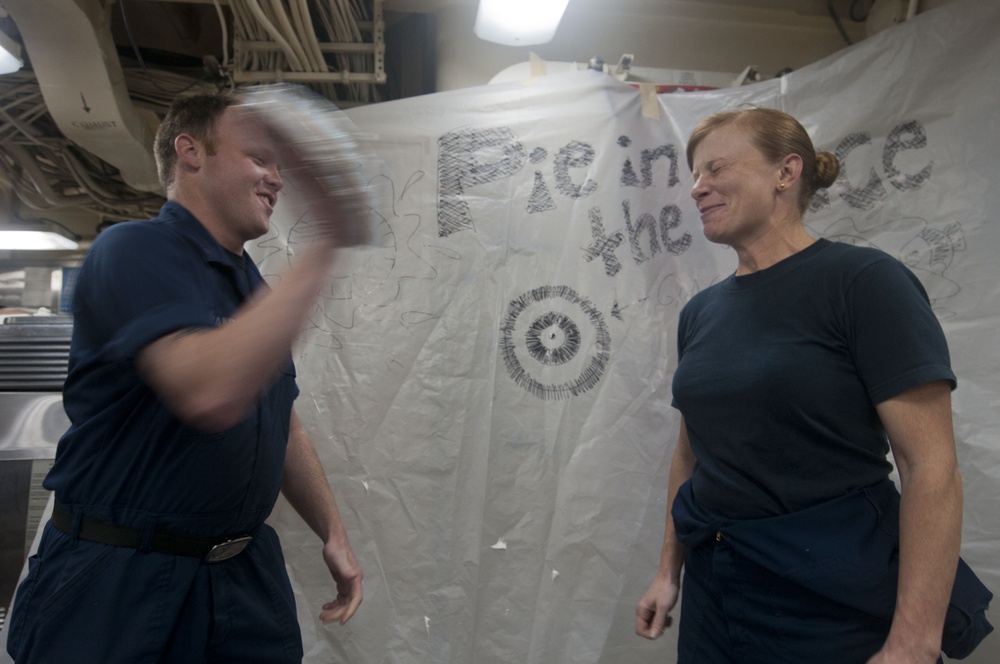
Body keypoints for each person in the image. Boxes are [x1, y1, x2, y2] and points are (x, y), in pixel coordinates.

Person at [5, 91, 363, 663]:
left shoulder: (252, 288)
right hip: (121, 579)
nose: (276, 179)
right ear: (191, 151)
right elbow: (209, 392)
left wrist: (333, 531)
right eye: (260, 158)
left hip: (241, 580)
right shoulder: (133, 249)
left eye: (279, 166)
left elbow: (284, 425)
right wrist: (328, 240)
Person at [633, 107, 988, 663]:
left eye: (716, 169)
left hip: (828, 597)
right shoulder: (701, 313)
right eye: (695, 176)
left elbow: (931, 467)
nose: (699, 188)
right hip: (716, 589)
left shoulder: (863, 283)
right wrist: (667, 572)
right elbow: (692, 452)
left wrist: (914, 643)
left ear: (786, 171)